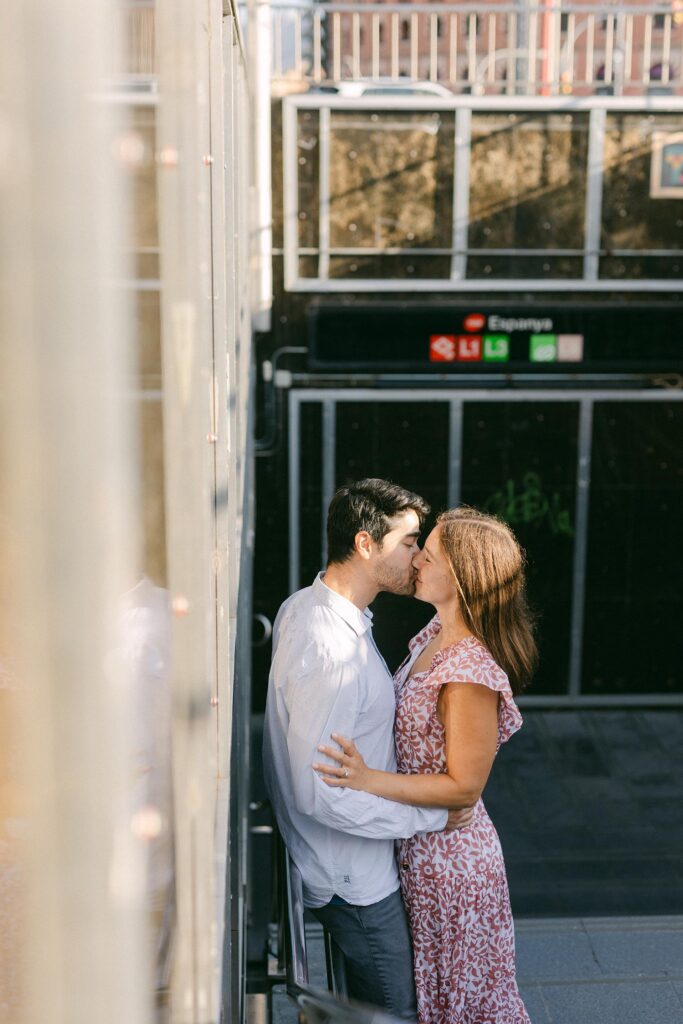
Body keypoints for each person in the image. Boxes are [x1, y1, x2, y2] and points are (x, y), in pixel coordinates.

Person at [314, 506, 537, 1024]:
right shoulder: (434, 635)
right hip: (422, 849)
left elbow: (464, 787)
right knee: (438, 997)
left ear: (459, 578)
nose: (416, 563)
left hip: (454, 867)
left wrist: (368, 779)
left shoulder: (468, 672)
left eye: (428, 556)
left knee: (460, 1005)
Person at [263, 480, 474, 1020]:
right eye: (408, 542)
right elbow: (321, 794)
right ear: (365, 544)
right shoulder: (330, 650)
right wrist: (429, 817)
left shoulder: (310, 607)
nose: (418, 555)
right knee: (395, 1013)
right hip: (354, 883)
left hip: (357, 865)